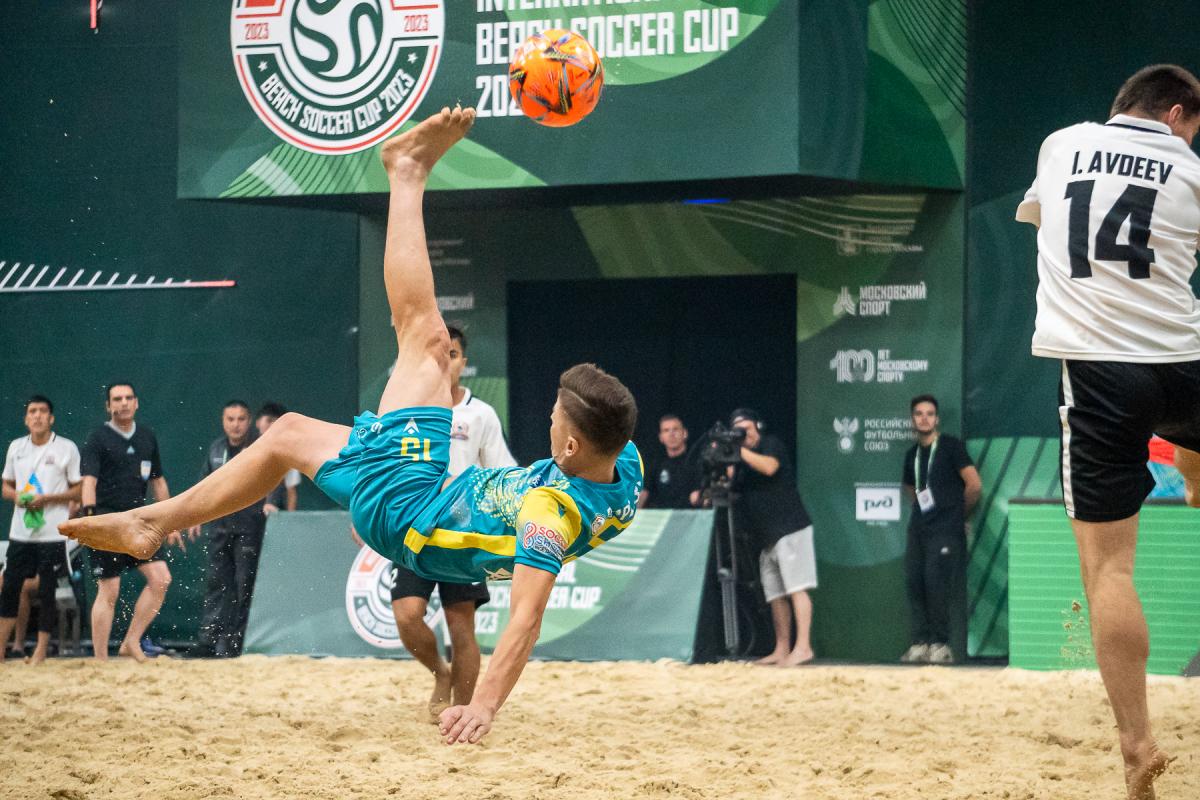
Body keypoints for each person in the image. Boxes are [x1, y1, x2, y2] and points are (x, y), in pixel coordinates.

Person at [62, 106, 642, 746]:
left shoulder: (547, 517)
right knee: (312, 418)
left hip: (413, 511)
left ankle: (407, 170)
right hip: (429, 497)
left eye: (554, 419)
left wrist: (485, 708)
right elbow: (606, 426)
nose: (548, 419)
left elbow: (526, 621)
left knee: (420, 343)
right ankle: (154, 521)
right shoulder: (625, 460)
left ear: (570, 444)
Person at [1016, 64, 1200, 799]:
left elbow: (1050, 223)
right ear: (1177, 113)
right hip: (1185, 360)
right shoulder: (1190, 170)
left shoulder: (1061, 145)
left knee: (1110, 571)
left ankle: (1137, 743)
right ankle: (1193, 477)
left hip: (1100, 372)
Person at [384, 322, 517, 721]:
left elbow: (501, 472)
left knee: (462, 629)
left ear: (463, 362)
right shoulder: (408, 409)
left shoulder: (481, 414)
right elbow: (386, 467)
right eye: (439, 356)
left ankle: (461, 711)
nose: (446, 363)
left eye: (453, 355)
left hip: (463, 532)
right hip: (413, 525)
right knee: (407, 615)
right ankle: (439, 673)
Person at [79, 382, 180, 662]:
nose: (123, 403)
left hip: (139, 522)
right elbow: (88, 482)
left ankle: (131, 641)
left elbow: (158, 482)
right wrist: (90, 521)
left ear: (136, 403)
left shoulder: (147, 437)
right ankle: (101, 661)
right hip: (107, 523)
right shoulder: (97, 438)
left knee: (161, 579)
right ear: (108, 406)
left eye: (128, 398)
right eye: (117, 399)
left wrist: (170, 522)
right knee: (109, 589)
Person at [728, 408, 817, 667]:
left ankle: (803, 647)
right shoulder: (741, 460)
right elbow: (731, 486)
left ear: (757, 426)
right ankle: (782, 648)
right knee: (775, 595)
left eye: (746, 429)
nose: (743, 435)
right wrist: (729, 459)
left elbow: (769, 467)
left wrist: (739, 450)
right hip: (765, 536)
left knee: (796, 588)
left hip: (790, 528)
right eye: (737, 432)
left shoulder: (770, 444)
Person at [898, 395, 981, 665]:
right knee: (915, 581)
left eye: (929, 414)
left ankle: (940, 644)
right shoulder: (911, 455)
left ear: (937, 419)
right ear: (912, 419)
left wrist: (957, 515)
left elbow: (974, 485)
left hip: (946, 530)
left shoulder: (951, 447)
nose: (924, 418)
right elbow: (910, 488)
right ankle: (920, 643)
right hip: (919, 529)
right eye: (919, 414)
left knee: (936, 583)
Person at [0, 396, 82, 663]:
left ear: (51, 418)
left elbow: (78, 490)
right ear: (26, 419)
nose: (37, 416)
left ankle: (41, 650)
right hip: (20, 533)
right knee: (10, 588)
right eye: (32, 411)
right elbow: (6, 486)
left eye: (43, 411)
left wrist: (46, 499)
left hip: (51, 533)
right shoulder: (16, 447)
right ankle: (1, 647)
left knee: (48, 590)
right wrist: (18, 496)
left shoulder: (66, 448)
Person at [187, 401, 269, 658]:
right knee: (216, 583)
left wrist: (271, 504)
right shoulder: (216, 449)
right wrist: (194, 516)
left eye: (241, 419)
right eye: (230, 419)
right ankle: (208, 641)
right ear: (223, 421)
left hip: (249, 527)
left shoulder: (259, 447)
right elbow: (204, 485)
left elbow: (274, 478)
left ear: (249, 421)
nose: (236, 424)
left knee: (244, 585)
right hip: (219, 527)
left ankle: (237, 643)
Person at [638, 414, 702, 509]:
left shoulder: (696, 462)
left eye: (675, 429)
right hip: (662, 516)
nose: (671, 434)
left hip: (690, 515)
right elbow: (644, 492)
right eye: (666, 430)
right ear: (661, 438)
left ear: (685, 433)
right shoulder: (656, 464)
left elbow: (701, 495)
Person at [256, 402, 300, 513]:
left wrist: (290, 519)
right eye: (269, 420)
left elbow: (291, 491)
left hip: (272, 516)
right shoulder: (246, 450)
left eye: (277, 423)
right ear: (258, 422)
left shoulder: (288, 455)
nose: (272, 426)